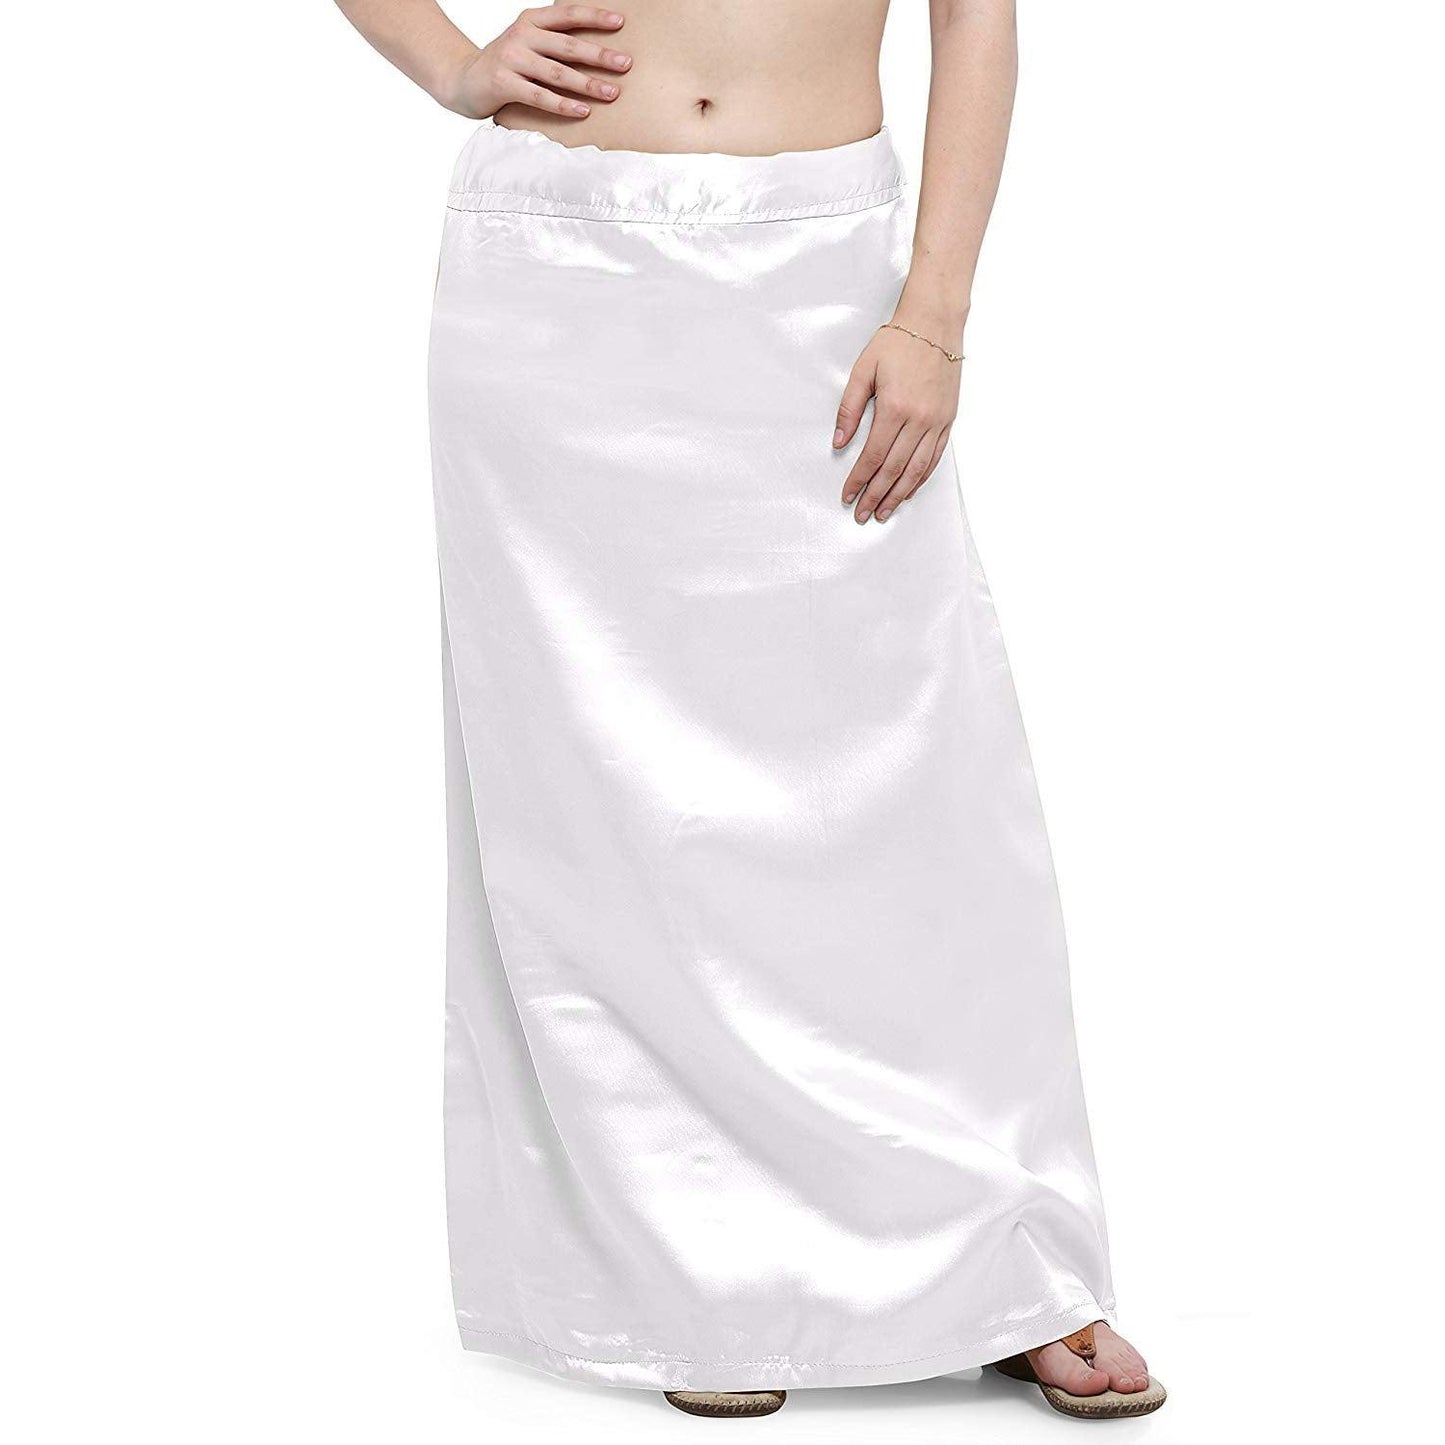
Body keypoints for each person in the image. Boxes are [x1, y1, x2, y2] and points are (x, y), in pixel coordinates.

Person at [335, 0, 1165, 1421]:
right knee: (605, 798)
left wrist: (934, 312)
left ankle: (1006, 1259)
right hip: (557, 275)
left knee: (915, 778)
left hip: (817, 273)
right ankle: (698, 1273)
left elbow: (974, 15)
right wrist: (454, 66)